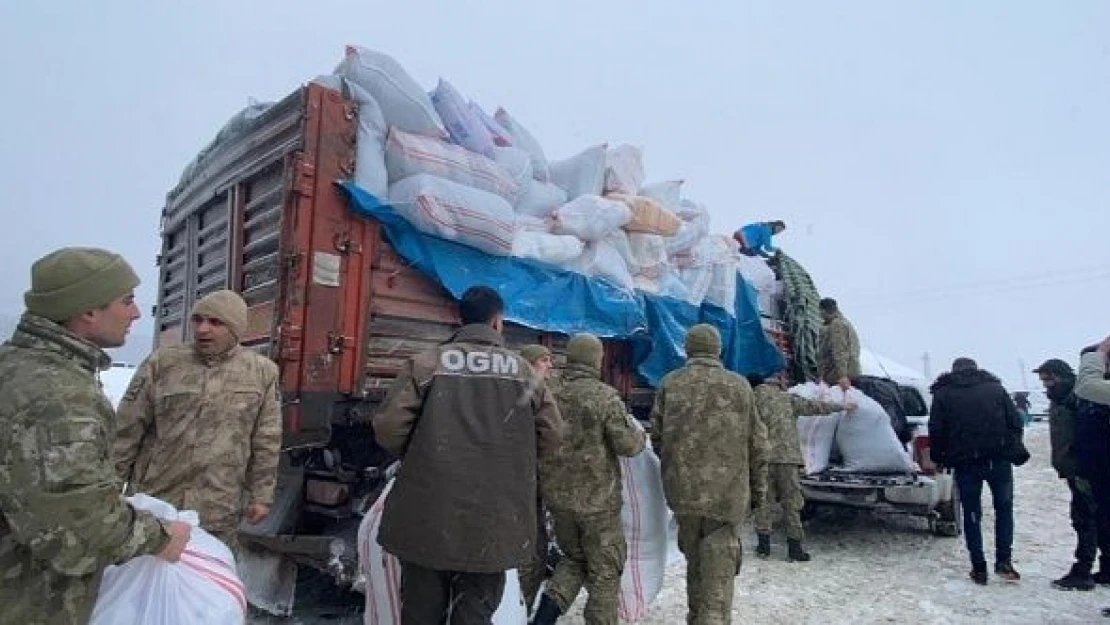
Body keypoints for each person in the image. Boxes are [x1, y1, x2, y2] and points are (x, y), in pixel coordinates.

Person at [0, 247, 192, 623]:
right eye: (127, 301)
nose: (136, 313)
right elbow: (78, 526)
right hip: (28, 600)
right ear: (87, 310)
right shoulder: (60, 396)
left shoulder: (16, 367)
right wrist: (161, 536)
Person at [373, 286, 564, 624]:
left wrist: (427, 455)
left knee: (420, 612)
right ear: (497, 322)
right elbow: (551, 436)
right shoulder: (524, 373)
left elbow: (389, 429)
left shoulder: (426, 364)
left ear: (461, 319)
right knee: (475, 611)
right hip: (494, 519)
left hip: (428, 515)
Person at [114, 289, 282, 552]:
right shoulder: (162, 364)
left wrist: (262, 496)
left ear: (236, 329)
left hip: (217, 509)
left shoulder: (261, 373)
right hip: (155, 505)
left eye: (215, 323)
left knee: (206, 584)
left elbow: (266, 439)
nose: (203, 329)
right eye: (198, 320)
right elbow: (126, 430)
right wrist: (111, 488)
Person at [651, 324, 769, 624]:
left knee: (696, 564)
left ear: (688, 349)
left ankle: (695, 616)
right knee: (718, 577)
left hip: (683, 496)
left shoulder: (670, 384)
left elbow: (657, 438)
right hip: (726, 499)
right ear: (718, 349)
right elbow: (758, 446)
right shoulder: (739, 386)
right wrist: (758, 494)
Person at [531, 334, 646, 625]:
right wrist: (641, 436)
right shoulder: (604, 396)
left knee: (573, 559)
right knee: (605, 570)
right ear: (597, 359)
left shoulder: (548, 392)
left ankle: (543, 619)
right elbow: (628, 446)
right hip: (597, 505)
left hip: (558, 498)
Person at [928, 358, 1025, 585]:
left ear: (953, 372)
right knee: (1004, 509)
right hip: (998, 460)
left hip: (966, 463)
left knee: (972, 513)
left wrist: (939, 458)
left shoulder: (944, 393)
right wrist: (1011, 446)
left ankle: (978, 567)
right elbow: (1016, 422)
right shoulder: (995, 389)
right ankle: (1004, 561)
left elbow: (937, 429)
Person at [748, 372, 853, 562]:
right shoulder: (787, 399)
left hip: (762, 458)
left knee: (763, 502)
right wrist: (842, 406)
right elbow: (816, 407)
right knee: (791, 502)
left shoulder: (752, 399)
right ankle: (794, 549)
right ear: (778, 380)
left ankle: (764, 546)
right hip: (787, 458)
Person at [1034, 358, 1110, 591]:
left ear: (1061, 376)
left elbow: (1091, 433)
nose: (1045, 384)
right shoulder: (1060, 398)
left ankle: (1083, 571)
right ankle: (1106, 568)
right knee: (1096, 519)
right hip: (1074, 469)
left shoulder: (1080, 398)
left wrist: (1083, 465)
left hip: (1086, 468)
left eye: (1048, 378)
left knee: (1085, 519)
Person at [518, 343, 558, 610]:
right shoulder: (532, 393)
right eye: (545, 360)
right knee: (530, 551)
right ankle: (520, 606)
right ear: (531, 363)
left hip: (521, 483)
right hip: (525, 484)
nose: (550, 365)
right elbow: (551, 438)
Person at [817, 298, 861, 391]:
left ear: (823, 311)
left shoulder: (836, 325)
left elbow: (839, 351)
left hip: (839, 376)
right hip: (850, 371)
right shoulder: (845, 322)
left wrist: (842, 375)